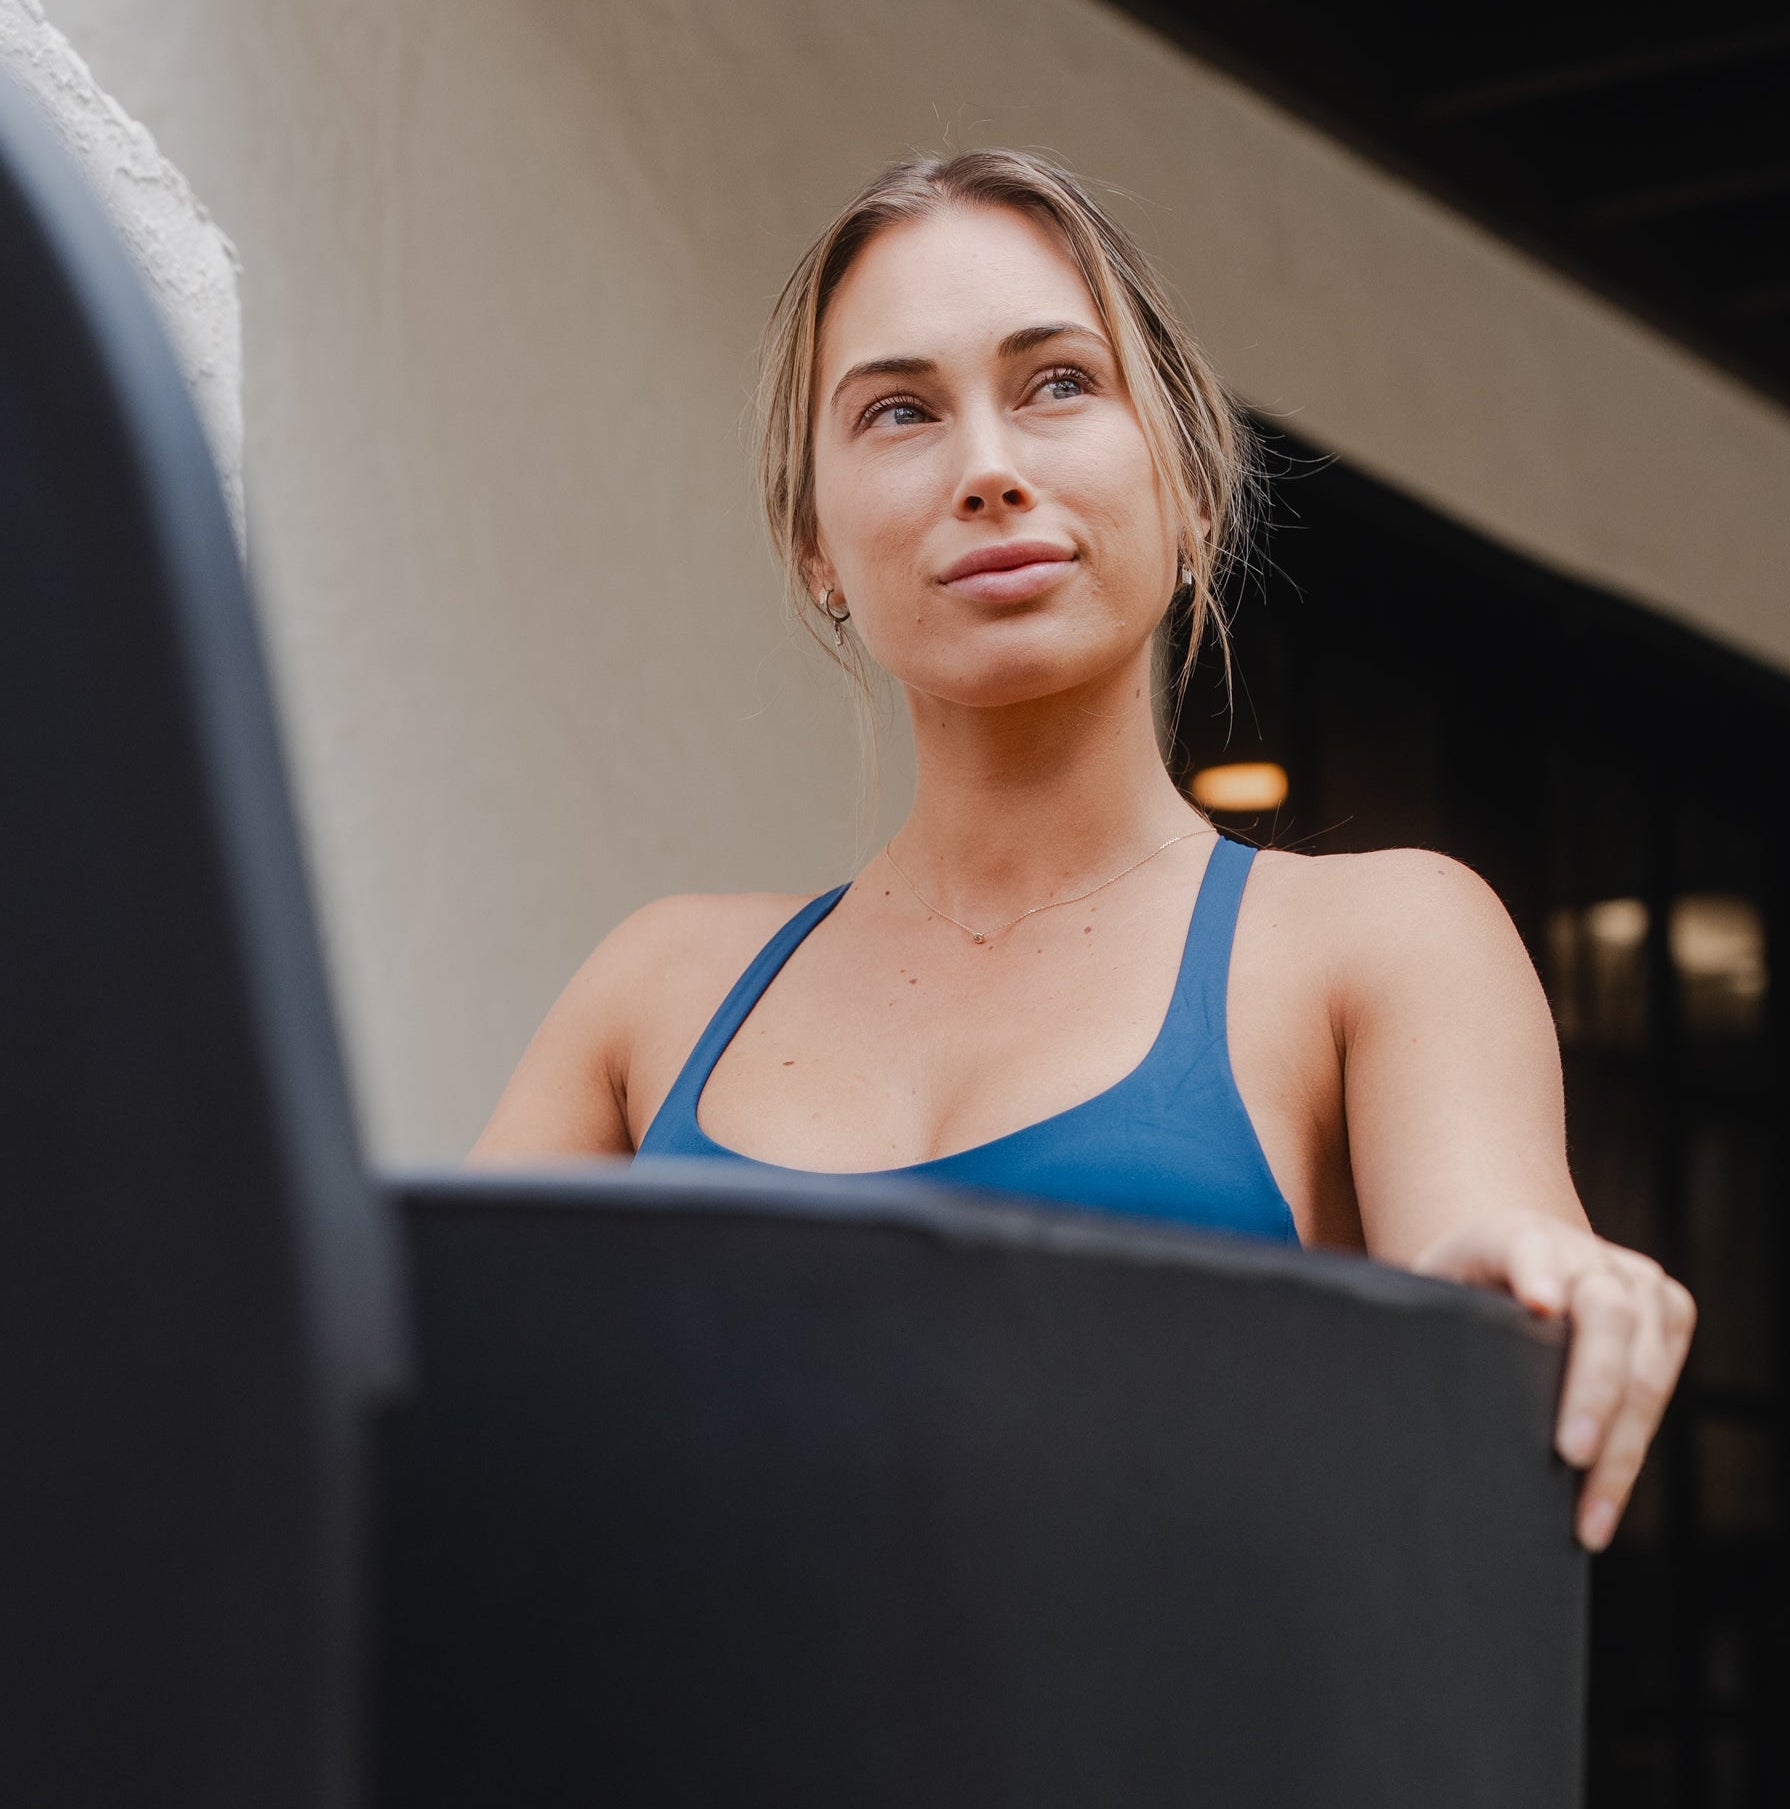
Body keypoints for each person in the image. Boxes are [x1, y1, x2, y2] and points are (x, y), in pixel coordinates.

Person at [470, 149, 1695, 1554]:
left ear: (1187, 492)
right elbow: (399, 1400)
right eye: (896, 411)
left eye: (1057, 382)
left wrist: (1529, 1296)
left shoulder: (1380, 937)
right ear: (815, 542)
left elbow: (1491, 1291)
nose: (987, 469)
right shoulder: (655, 987)